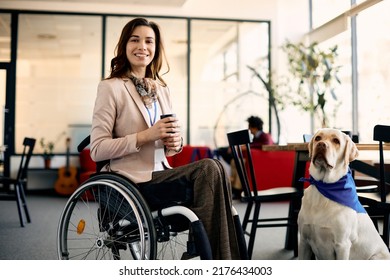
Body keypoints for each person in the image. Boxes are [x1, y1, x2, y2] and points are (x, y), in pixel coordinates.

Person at [89, 17, 242, 260]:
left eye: (149, 41)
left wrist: (175, 142)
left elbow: (168, 150)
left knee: (217, 169)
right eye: (135, 40)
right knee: (210, 168)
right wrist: (146, 135)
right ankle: (216, 257)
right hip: (132, 182)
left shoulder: (162, 89)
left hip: (161, 174)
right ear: (124, 46)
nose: (143, 46)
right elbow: (97, 149)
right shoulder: (111, 87)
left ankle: (218, 256)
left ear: (156, 48)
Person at [230, 116, 275, 198]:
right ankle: (235, 187)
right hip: (256, 160)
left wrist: (247, 146)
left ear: (254, 127)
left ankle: (238, 189)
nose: (249, 129)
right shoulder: (256, 137)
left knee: (240, 162)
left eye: (249, 127)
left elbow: (265, 145)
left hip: (261, 162)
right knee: (234, 161)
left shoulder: (265, 136)